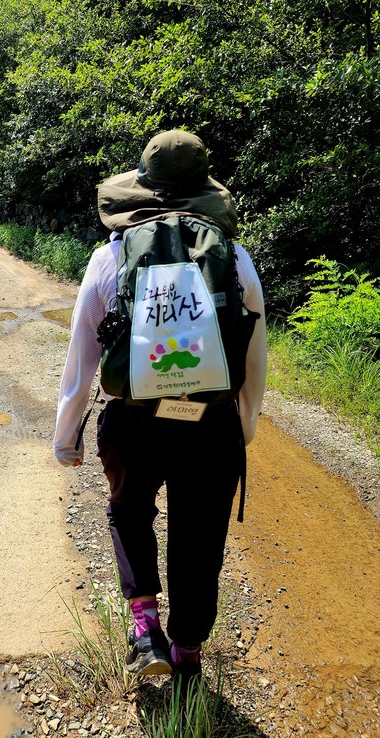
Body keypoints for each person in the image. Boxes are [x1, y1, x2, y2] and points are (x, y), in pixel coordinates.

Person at [53, 130, 266, 684]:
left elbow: (84, 350)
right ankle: (188, 651)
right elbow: (252, 355)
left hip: (135, 422)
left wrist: (67, 434)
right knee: (200, 537)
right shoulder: (235, 257)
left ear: (140, 187)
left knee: (129, 511)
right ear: (205, 188)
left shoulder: (111, 255)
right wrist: (243, 426)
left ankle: (144, 626)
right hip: (210, 424)